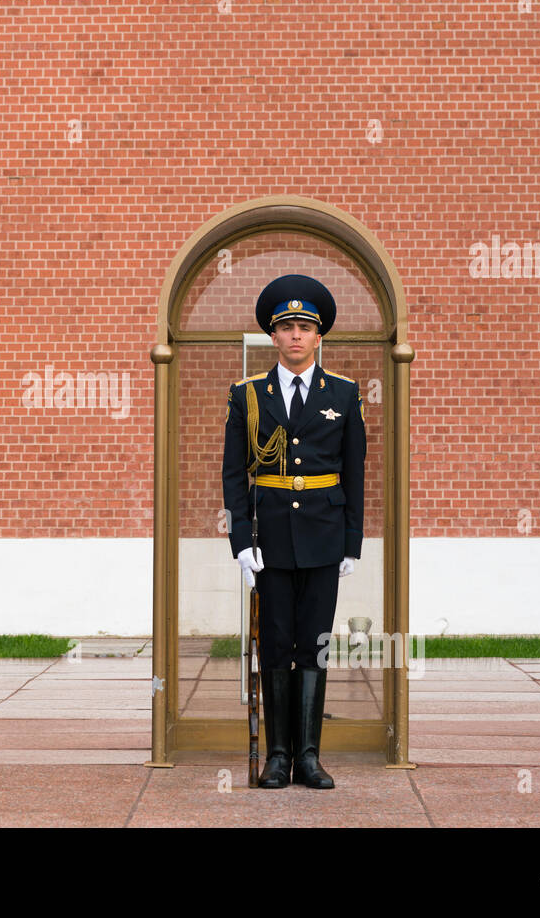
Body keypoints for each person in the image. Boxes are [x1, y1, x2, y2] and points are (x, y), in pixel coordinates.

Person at [221, 274, 366, 789]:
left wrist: (352, 543)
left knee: (315, 644)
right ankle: (277, 757)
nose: (297, 336)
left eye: (305, 327)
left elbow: (355, 471)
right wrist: (242, 542)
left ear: (319, 335)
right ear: (273, 337)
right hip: (271, 539)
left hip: (325, 536)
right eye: (287, 328)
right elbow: (234, 475)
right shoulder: (248, 396)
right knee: (276, 644)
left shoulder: (344, 395)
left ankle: (309, 756)